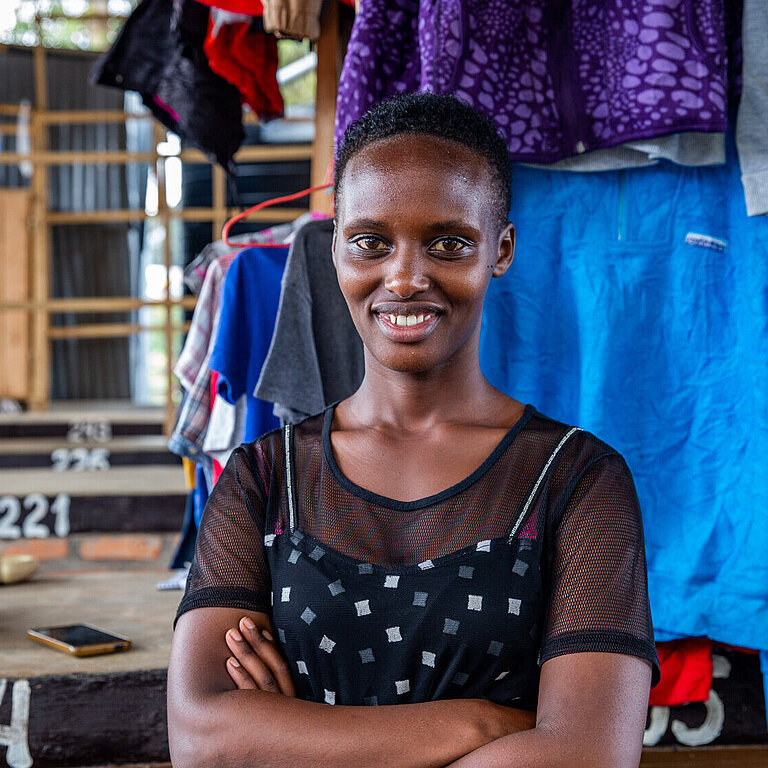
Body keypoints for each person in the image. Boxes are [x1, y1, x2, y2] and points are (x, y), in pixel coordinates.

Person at [167, 92, 660, 768]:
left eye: (449, 242)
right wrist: (483, 724)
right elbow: (200, 741)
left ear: (501, 249)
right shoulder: (262, 480)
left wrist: (295, 738)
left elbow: (586, 757)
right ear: (334, 246)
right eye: (371, 242)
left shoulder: (578, 480)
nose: (404, 276)